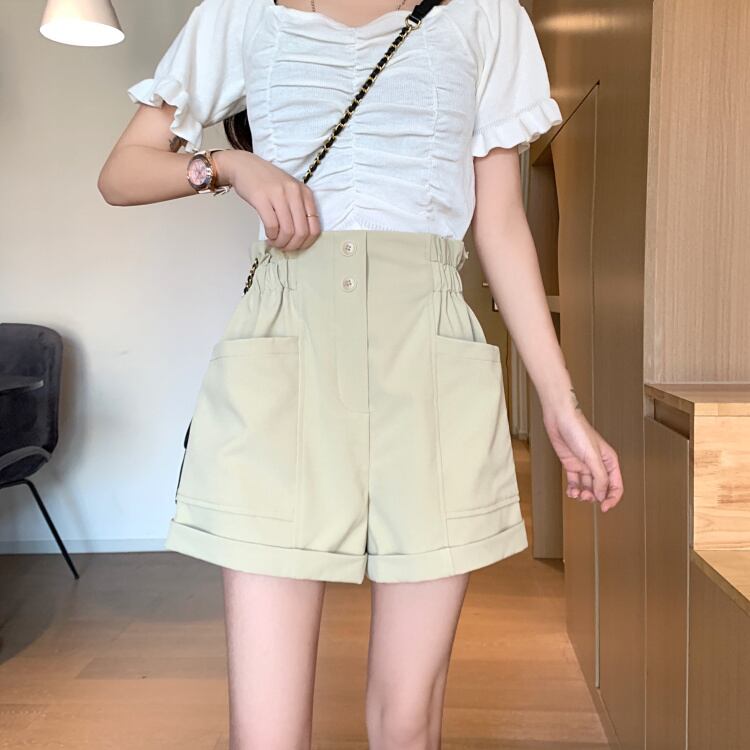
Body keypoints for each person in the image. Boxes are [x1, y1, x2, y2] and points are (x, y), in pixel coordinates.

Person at [98, 0, 624, 746]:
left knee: (407, 723)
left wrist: (559, 402)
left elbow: (502, 222)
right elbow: (120, 172)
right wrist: (229, 166)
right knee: (267, 733)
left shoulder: (485, 13)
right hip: (284, 356)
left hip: (429, 359)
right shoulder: (243, 11)